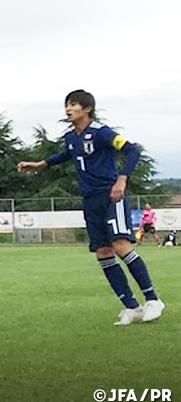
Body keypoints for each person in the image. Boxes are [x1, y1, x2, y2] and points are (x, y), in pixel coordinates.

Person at [17, 89, 163, 325]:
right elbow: (67, 154)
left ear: (87, 109)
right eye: (66, 104)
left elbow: (132, 150)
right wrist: (39, 163)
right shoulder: (71, 136)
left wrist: (122, 179)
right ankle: (131, 307)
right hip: (90, 200)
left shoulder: (101, 132)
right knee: (103, 252)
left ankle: (153, 299)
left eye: (73, 104)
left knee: (121, 245)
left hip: (110, 196)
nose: (68, 108)